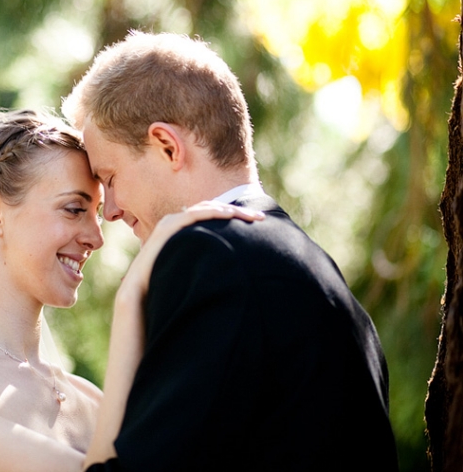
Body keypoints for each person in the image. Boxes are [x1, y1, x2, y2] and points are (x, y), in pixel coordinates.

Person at [61, 31, 399, 471]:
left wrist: (129, 302)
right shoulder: (305, 261)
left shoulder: (211, 255)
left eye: (110, 178)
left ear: (167, 146)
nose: (110, 211)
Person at [0, 108, 263, 472]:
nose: (97, 238)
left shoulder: (91, 400)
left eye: (97, 216)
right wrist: (130, 300)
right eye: (74, 209)